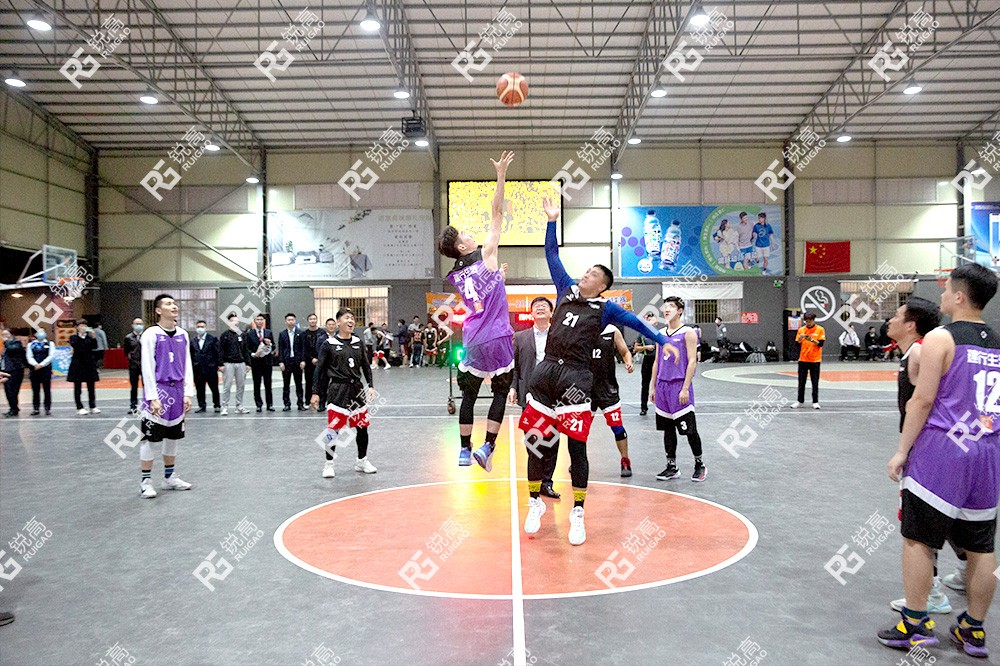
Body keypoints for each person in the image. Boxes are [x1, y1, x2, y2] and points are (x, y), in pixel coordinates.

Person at [519, 197, 675, 545]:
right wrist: (551, 221)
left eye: (593, 274)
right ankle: (534, 502)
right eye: (587, 270)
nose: (586, 274)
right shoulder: (565, 290)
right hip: (546, 374)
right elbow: (551, 255)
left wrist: (663, 342)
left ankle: (577, 513)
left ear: (602, 285)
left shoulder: (606, 309)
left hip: (576, 380)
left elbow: (637, 323)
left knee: (577, 448)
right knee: (537, 444)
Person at [881, 264, 1000, 657]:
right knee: (981, 547)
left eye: (947, 289)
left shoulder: (940, 338)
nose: (943, 295)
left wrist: (902, 450)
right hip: (987, 450)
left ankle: (914, 624)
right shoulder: (996, 342)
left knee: (918, 538)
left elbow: (923, 399)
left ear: (960, 296)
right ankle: (974, 630)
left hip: (943, 449)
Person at [436, 150, 516, 471]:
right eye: (466, 235)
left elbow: (483, 290)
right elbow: (497, 212)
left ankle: (464, 451)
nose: (471, 234)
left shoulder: (457, 275)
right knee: (501, 392)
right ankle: (488, 446)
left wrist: (500, 279)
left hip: (473, 338)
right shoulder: (486, 254)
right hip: (498, 337)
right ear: (463, 247)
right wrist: (501, 175)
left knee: (468, 396)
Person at [883, 297, 961, 616]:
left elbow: (928, 400)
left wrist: (905, 449)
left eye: (897, 315)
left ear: (911, 325)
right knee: (945, 515)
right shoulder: (911, 352)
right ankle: (966, 570)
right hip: (926, 445)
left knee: (921, 520)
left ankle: (932, 593)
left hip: (925, 448)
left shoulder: (918, 351)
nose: (890, 320)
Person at [137, 294, 194, 499]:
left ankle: (169, 477)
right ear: (158, 310)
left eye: (175, 303)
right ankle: (146, 482)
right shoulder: (151, 334)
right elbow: (147, 367)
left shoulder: (183, 334)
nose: (174, 306)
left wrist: (188, 393)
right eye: (169, 304)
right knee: (149, 438)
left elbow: (187, 364)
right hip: (159, 390)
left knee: (173, 436)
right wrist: (152, 396)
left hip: (177, 391)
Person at [311, 310, 377, 478]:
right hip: (338, 390)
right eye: (347, 318)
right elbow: (319, 369)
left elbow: (366, 365)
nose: (351, 321)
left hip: (357, 390)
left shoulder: (358, 342)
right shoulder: (329, 344)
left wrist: (370, 386)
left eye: (352, 318)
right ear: (338, 322)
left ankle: (362, 461)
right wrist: (315, 392)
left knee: (362, 428)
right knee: (333, 429)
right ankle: (328, 464)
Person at [651, 297, 706, 482]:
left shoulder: (688, 333)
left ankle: (699, 464)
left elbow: (692, 361)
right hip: (662, 386)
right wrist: (653, 387)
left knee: (689, 429)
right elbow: (656, 361)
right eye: (665, 306)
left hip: (679, 385)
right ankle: (672, 466)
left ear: (680, 310)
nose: (667, 309)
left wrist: (685, 388)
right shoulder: (660, 333)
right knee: (667, 429)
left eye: (671, 306)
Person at [510, 297, 560, 498]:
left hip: (554, 396)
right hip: (530, 395)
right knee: (533, 442)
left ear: (551, 313)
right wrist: (513, 388)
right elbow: (515, 366)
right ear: (531, 313)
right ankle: (535, 482)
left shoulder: (559, 336)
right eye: (536, 307)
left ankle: (547, 483)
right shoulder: (520, 337)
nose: (540, 308)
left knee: (552, 441)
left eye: (544, 306)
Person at [593, 324, 635, 477]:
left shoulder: (612, 330)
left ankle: (625, 460)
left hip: (607, 388)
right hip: (585, 388)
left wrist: (628, 361)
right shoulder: (581, 327)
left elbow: (625, 351)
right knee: (579, 431)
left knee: (617, 427)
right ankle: (578, 461)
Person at [218, 313, 252, 416]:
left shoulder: (242, 335)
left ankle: (239, 406)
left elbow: (245, 349)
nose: (236, 322)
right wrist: (220, 364)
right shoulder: (224, 335)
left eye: (237, 320)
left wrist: (248, 363)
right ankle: (224, 407)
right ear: (229, 322)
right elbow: (220, 350)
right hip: (228, 364)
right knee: (227, 386)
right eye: (233, 320)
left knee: (241, 386)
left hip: (241, 363)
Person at [792, 312, 825, 409]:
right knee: (801, 382)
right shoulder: (801, 330)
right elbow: (797, 344)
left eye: (810, 321)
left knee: (815, 382)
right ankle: (800, 401)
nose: (808, 323)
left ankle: (815, 401)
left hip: (815, 360)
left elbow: (821, 344)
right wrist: (800, 339)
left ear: (813, 320)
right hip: (803, 359)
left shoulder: (820, 329)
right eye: (806, 321)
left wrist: (811, 339)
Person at [68, 319, 99, 415]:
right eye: (81, 326)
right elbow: (78, 347)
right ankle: (79, 407)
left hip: (89, 364)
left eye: (85, 325)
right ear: (77, 327)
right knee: (77, 387)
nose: (83, 327)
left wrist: (93, 337)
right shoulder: (73, 337)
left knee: (91, 387)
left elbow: (95, 347)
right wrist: (81, 336)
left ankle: (92, 406)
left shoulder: (90, 338)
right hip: (78, 364)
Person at [190, 320, 221, 413]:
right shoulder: (193, 341)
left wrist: (218, 365)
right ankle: (202, 405)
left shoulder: (212, 339)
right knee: (199, 388)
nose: (200, 328)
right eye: (198, 327)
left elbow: (217, 353)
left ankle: (217, 405)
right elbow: (191, 354)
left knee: (214, 388)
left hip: (210, 368)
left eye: (202, 327)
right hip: (198, 369)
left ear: (206, 328)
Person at [278, 313, 306, 411]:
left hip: (297, 362)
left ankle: (300, 404)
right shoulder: (282, 334)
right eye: (289, 320)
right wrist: (281, 362)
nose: (290, 321)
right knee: (286, 384)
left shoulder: (300, 333)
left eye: (292, 320)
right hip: (286, 362)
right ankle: (287, 404)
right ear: (285, 322)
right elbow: (280, 349)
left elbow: (303, 348)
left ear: (295, 321)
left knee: (299, 384)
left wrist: (303, 360)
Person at [249, 314, 276, 412]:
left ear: (264, 321)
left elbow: (274, 346)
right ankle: (258, 404)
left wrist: (270, 344)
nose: (260, 321)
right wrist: (253, 354)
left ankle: (270, 404)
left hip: (267, 362)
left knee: (268, 384)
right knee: (257, 384)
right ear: (254, 321)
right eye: (258, 319)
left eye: (261, 319)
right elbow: (247, 348)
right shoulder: (250, 333)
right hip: (256, 362)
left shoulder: (268, 332)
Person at [633, 312, 658, 416]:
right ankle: (644, 407)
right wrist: (646, 347)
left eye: (652, 319)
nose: (650, 321)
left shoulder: (659, 333)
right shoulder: (642, 334)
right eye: (648, 319)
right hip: (647, 360)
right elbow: (635, 348)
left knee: (659, 383)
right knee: (645, 384)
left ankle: (662, 406)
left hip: (657, 360)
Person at [27, 329, 55, 416]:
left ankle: (47, 408)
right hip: (34, 369)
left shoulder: (50, 343)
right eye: (39, 332)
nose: (41, 333)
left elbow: (51, 356)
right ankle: (36, 408)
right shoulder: (30, 344)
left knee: (47, 389)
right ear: (35, 334)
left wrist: (42, 364)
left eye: (43, 331)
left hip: (46, 369)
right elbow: (29, 356)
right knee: (35, 390)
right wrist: (35, 364)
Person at [1, 329, 26, 417]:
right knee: (8, 391)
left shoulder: (16, 343)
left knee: (13, 391)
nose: (4, 336)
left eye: (6, 334)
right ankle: (13, 408)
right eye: (3, 335)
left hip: (15, 370)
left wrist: (6, 342)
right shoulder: (5, 346)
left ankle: (14, 409)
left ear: (11, 334)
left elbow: (12, 349)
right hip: (6, 370)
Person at [123, 318, 144, 414]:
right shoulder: (128, 338)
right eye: (136, 324)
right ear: (132, 325)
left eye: (140, 324)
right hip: (133, 366)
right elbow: (126, 351)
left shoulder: (146, 336)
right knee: (134, 387)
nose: (138, 325)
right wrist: (132, 359)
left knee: (146, 387)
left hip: (145, 365)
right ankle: (133, 406)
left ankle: (147, 406)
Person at [302, 314, 321, 402]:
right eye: (311, 319)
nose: (313, 321)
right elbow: (304, 348)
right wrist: (311, 358)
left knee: (320, 381)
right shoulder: (304, 334)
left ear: (316, 320)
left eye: (314, 319)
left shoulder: (322, 333)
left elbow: (323, 348)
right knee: (308, 381)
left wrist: (317, 358)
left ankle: (321, 401)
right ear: (308, 321)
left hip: (320, 361)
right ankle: (308, 401)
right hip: (308, 362)